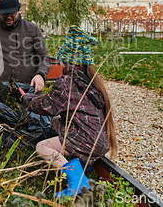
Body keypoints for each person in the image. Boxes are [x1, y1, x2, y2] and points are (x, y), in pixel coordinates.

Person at [22, 26, 118, 198]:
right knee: (61, 119)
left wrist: (28, 99)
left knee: (42, 147)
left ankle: (78, 184)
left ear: (65, 60)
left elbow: (45, 105)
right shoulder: (90, 81)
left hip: (87, 142)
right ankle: (83, 168)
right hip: (100, 141)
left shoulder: (66, 82)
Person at [0, 0, 50, 101]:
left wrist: (40, 75)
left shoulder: (32, 29)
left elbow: (44, 58)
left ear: (18, 10)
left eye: (12, 13)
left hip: (31, 91)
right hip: (1, 93)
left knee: (31, 118)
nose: (8, 17)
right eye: (4, 14)